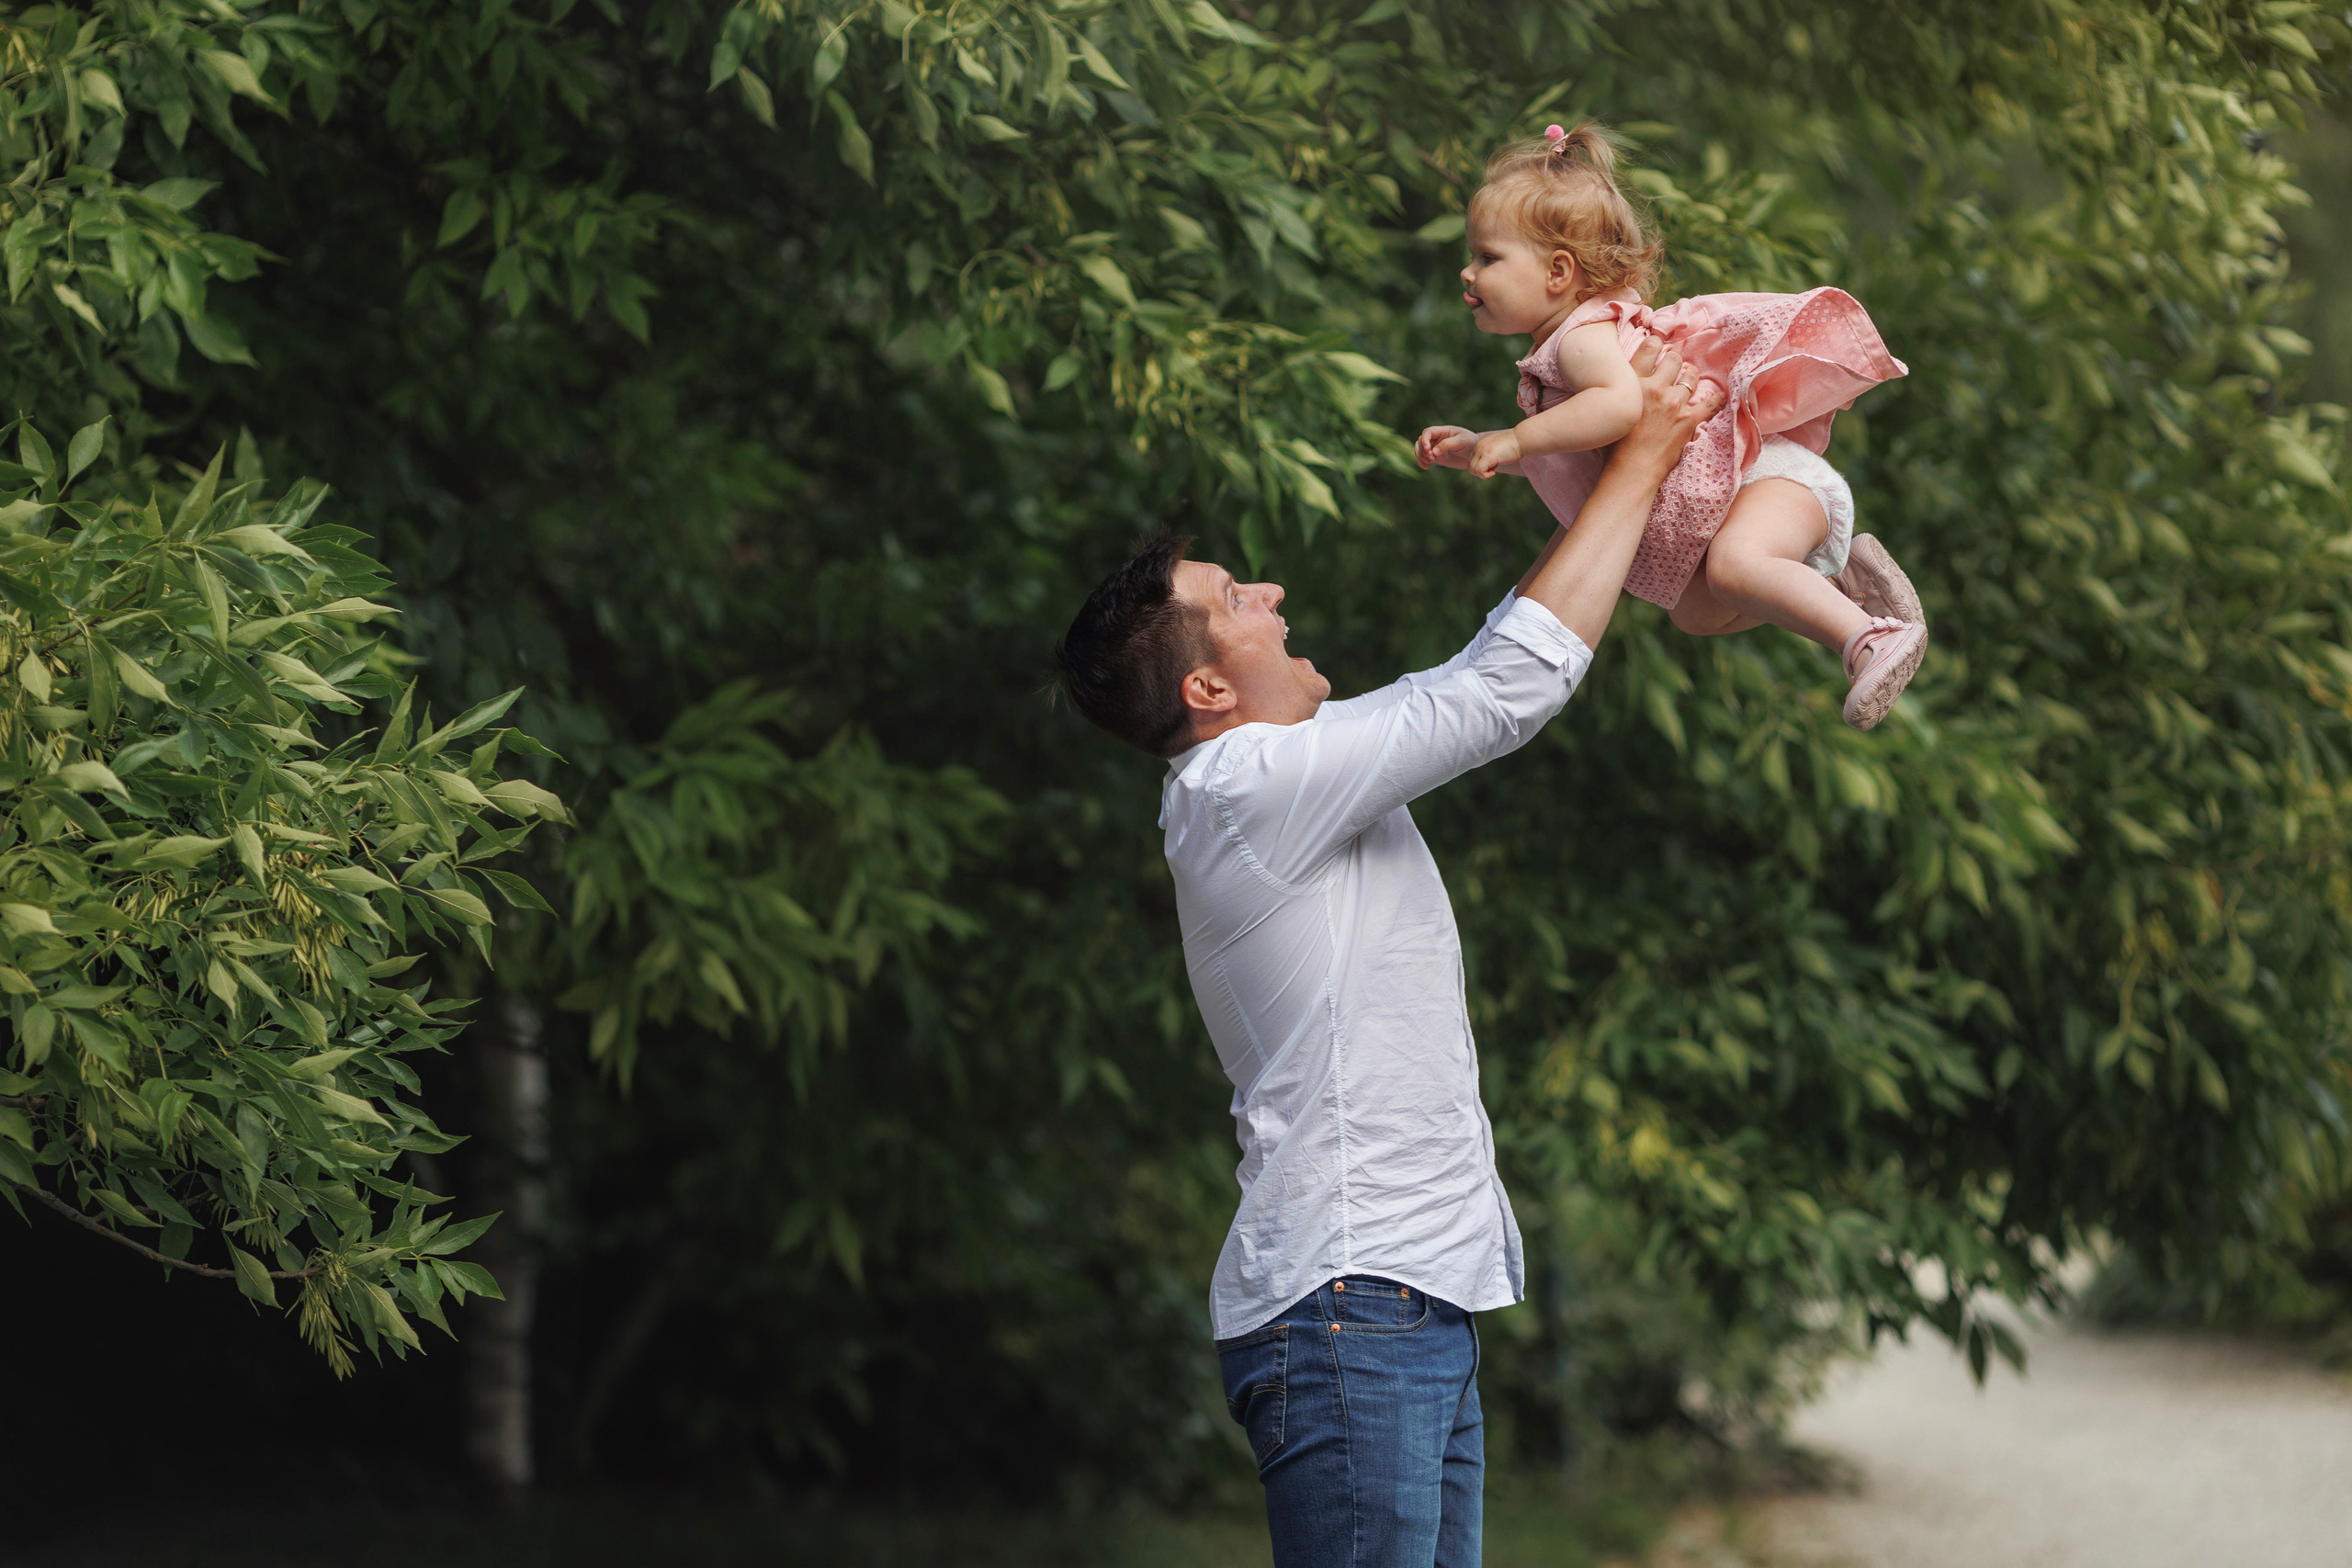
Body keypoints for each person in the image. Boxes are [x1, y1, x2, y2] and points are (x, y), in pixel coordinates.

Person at [1055, 337, 1722, 1567]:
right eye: (1238, 597)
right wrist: (1647, 449)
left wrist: (1607, 465)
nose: (1275, 596)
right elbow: (1500, 690)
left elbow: (1482, 679)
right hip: (1351, 1310)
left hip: (1393, 1304)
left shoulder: (1271, 778)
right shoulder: (1245, 781)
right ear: (1206, 686)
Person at [1415, 121, 1928, 729]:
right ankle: (1839, 578)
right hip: (1740, 501)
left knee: (1736, 568)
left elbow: (1618, 410)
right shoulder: (1569, 349)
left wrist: (1516, 437)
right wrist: (1482, 446)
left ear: (1557, 272)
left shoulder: (1581, 341)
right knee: (1696, 611)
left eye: (1487, 257)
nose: (1468, 273)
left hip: (1761, 479)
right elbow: (1578, 452)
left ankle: (1867, 637)